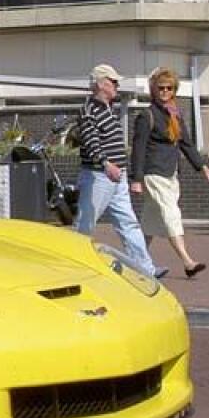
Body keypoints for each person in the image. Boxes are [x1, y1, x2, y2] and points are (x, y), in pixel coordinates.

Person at [73, 64, 163, 278]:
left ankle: (146, 268)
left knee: (127, 221)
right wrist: (106, 164)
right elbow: (91, 141)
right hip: (99, 176)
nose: (117, 86)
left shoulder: (107, 108)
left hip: (116, 176)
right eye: (113, 82)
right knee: (86, 223)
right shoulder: (89, 110)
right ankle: (74, 264)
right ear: (101, 84)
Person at [130, 67, 209, 278]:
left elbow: (186, 143)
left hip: (170, 174)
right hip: (154, 173)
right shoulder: (146, 115)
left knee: (150, 221)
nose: (165, 91)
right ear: (153, 90)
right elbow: (138, 148)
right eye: (161, 88)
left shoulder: (175, 114)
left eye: (169, 88)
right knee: (171, 214)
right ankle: (188, 262)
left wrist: (202, 166)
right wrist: (136, 179)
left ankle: (133, 261)